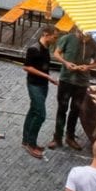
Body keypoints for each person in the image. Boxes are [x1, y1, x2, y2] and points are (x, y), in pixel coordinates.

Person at [50, 24, 93, 150]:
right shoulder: (67, 38)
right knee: (62, 108)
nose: (85, 38)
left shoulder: (93, 43)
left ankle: (70, 137)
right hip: (66, 79)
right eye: (83, 36)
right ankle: (57, 137)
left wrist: (88, 67)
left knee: (75, 110)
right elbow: (56, 53)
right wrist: (66, 63)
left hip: (82, 82)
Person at [22, 28, 59, 159]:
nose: (55, 40)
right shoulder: (34, 48)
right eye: (54, 37)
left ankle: (26, 140)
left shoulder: (45, 47)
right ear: (46, 35)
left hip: (43, 85)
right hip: (34, 85)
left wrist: (48, 78)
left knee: (33, 111)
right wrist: (47, 77)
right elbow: (27, 67)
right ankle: (30, 144)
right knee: (40, 114)